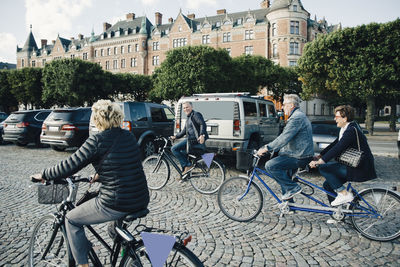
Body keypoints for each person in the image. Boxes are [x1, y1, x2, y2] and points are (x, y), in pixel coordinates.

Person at [31, 100, 149, 267]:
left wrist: (44, 174)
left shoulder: (97, 140)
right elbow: (124, 164)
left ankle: (83, 265)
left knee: (71, 219)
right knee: (113, 230)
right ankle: (130, 258)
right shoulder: (128, 135)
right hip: (140, 198)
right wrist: (100, 175)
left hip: (116, 202)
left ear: (97, 119)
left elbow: (69, 165)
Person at [309, 105, 377, 206]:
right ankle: (337, 214)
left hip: (358, 167)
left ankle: (344, 194)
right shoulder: (346, 128)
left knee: (324, 168)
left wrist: (320, 161)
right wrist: (320, 155)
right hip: (353, 165)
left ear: (344, 118)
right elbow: (335, 144)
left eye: (336, 117)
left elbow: (338, 148)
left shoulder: (351, 130)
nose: (334, 119)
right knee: (328, 185)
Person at [257, 94, 314, 200]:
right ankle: (289, 206)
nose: (282, 107)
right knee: (285, 176)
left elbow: (284, 138)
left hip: (299, 156)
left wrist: (267, 148)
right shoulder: (297, 116)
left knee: (270, 165)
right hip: (297, 153)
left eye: (284, 104)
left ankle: (293, 188)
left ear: (291, 105)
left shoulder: (296, 118)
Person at [171, 101, 209, 178]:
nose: (185, 109)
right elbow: (184, 131)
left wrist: (202, 135)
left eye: (187, 107)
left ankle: (187, 166)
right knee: (182, 152)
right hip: (190, 140)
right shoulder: (188, 118)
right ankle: (185, 174)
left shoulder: (196, 115)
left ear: (192, 107)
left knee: (174, 149)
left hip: (194, 140)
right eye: (184, 108)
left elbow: (202, 124)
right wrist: (176, 136)